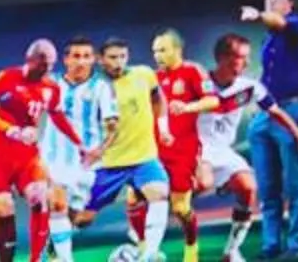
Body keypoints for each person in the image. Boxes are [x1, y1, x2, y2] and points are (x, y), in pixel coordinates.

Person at [195, 35, 298, 262]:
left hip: (222, 151)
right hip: (195, 148)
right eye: (240, 58)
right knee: (197, 186)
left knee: (248, 188)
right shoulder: (197, 82)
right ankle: (146, 219)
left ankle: (231, 252)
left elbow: (275, 111)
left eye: (246, 58)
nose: (245, 63)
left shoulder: (250, 87)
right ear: (222, 58)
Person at [239, 0, 298, 257]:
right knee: (268, 185)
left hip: (292, 110)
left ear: (291, 2)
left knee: (295, 184)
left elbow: (279, 22)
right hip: (266, 113)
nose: (271, 0)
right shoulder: (269, 39)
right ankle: (271, 245)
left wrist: (259, 15)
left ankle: (296, 248)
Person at [0, 40, 72, 262]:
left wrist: (79, 143)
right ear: (31, 59)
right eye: (44, 63)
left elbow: (58, 117)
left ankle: (36, 258)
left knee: (40, 198)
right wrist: (10, 129)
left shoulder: (50, 88)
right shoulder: (6, 78)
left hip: (26, 157)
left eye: (51, 64)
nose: (47, 68)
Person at [80, 36, 171, 262]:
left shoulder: (144, 74)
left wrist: (163, 127)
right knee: (81, 218)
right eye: (112, 57)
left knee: (159, 193)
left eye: (122, 56)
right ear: (101, 60)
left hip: (143, 158)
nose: (119, 62)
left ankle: (148, 255)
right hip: (109, 163)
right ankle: (50, 252)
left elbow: (158, 97)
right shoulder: (92, 87)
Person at [39, 37, 110, 262]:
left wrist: (101, 149)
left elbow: (112, 123)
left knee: (79, 218)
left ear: (94, 60)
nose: (81, 61)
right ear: (66, 59)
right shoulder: (48, 83)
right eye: (76, 56)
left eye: (86, 56)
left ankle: (53, 249)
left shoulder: (101, 87)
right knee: (57, 204)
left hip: (86, 163)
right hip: (53, 159)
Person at [149, 31, 214, 262]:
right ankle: (145, 251)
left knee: (179, 208)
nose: (157, 55)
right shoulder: (152, 79)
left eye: (162, 50)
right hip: (153, 152)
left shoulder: (192, 71)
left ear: (177, 49)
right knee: (133, 199)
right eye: (155, 51)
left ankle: (191, 247)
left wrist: (187, 107)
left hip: (183, 151)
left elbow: (213, 100)